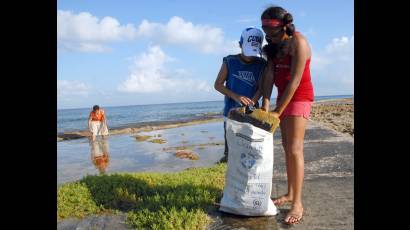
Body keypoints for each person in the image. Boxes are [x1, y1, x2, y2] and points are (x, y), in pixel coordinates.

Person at [260, 6, 315, 225]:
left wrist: (277, 111)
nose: (267, 35)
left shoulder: (299, 43)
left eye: (271, 30)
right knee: (285, 147)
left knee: (294, 149)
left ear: (284, 26)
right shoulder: (273, 45)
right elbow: (270, 74)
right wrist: (266, 101)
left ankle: (297, 203)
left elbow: (294, 81)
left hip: (299, 97)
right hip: (283, 97)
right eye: (264, 30)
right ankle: (290, 193)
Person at [214, 27, 266, 163]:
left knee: (249, 148)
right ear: (240, 45)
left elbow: (262, 87)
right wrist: (236, 96)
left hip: (251, 113)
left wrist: (252, 101)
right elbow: (218, 84)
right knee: (230, 150)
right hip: (230, 113)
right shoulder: (230, 61)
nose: (250, 56)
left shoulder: (261, 64)